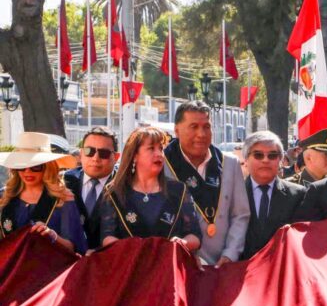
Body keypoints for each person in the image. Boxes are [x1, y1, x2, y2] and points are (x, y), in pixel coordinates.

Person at [164, 101, 250, 267]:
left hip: (221, 267)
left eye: (206, 127)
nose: (201, 134)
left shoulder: (229, 164)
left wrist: (230, 254)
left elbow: (240, 215)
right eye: (194, 126)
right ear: (177, 130)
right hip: (177, 265)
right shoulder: (162, 164)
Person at [100, 127, 201, 252]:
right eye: (151, 148)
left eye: (161, 148)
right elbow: (107, 236)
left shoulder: (179, 190)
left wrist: (182, 243)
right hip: (130, 265)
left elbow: (195, 235)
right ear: (134, 156)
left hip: (168, 265)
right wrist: (129, 249)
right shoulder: (115, 192)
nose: (159, 154)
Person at [0, 132, 86, 254]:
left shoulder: (63, 199)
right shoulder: (4, 197)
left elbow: (74, 249)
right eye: (21, 166)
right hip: (10, 270)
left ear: (47, 167)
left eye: (35, 166)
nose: (27, 171)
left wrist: (52, 235)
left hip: (50, 270)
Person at [241, 131, 306, 259]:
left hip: (281, 270)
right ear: (246, 160)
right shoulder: (233, 194)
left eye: (272, 155)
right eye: (258, 155)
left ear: (281, 160)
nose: (265, 160)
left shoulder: (298, 195)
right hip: (241, 271)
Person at [64, 126, 120, 250]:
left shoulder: (124, 186)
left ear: (116, 157)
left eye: (104, 153)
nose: (95, 158)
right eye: (89, 151)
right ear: (81, 153)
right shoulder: (65, 182)